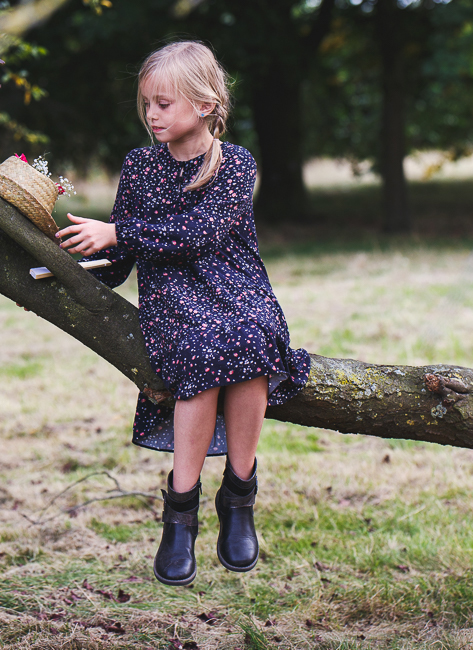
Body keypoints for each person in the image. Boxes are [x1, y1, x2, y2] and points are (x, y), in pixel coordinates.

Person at [55, 40, 310, 586]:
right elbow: (122, 260)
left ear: (204, 103)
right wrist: (74, 261)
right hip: (174, 297)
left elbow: (201, 234)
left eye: (164, 103)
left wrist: (119, 230)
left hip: (236, 287)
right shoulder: (140, 166)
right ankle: (181, 509)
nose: (151, 114)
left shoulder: (236, 164)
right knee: (200, 348)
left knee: (253, 338)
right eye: (146, 103)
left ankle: (239, 496)